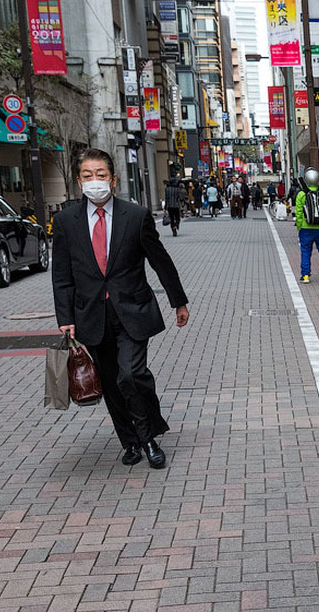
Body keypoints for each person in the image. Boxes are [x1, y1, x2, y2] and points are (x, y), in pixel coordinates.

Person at [51, 148, 190, 470]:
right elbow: (62, 274)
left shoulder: (135, 215)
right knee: (112, 383)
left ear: (113, 180)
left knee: (132, 374)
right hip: (90, 314)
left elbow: (160, 260)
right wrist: (65, 318)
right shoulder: (66, 221)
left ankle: (149, 438)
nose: (94, 181)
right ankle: (129, 441)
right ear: (78, 181)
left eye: (100, 175)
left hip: (133, 309)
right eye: (88, 176)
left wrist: (178, 301)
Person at [294, 167, 319, 284]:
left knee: (305, 252)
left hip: (306, 228)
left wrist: (299, 227)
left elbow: (299, 212)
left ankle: (305, 275)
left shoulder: (301, 194)